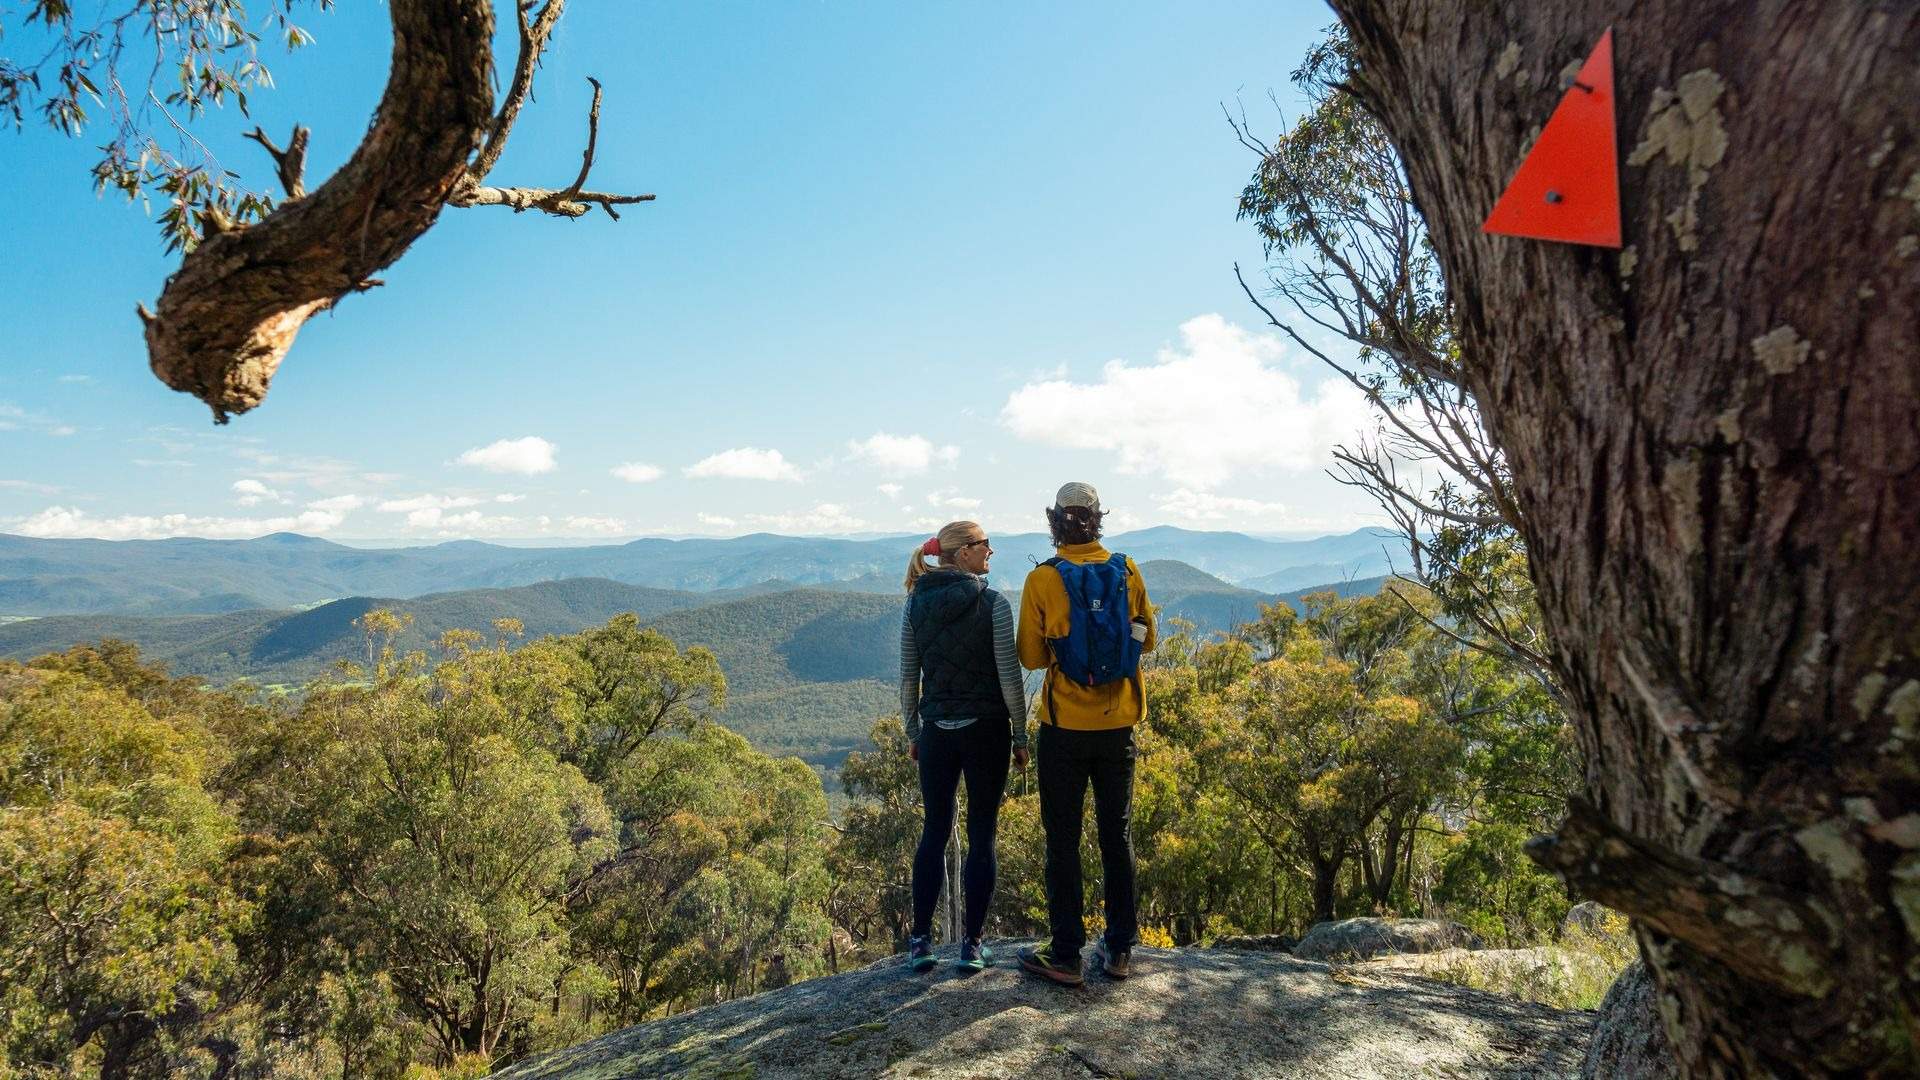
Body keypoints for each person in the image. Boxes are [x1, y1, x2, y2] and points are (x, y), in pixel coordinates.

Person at [1016, 482, 1155, 987]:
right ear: (1098, 520)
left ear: (1055, 521)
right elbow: (1149, 639)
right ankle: (1119, 950)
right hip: (1118, 724)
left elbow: (1031, 657)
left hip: (1064, 730)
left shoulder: (1043, 580)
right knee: (1116, 836)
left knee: (1063, 841)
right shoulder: (1127, 568)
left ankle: (1067, 955)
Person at [899, 519, 1030, 973]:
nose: (991, 551)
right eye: (984, 545)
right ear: (962, 553)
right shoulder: (993, 603)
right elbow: (1010, 679)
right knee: (982, 835)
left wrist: (915, 733)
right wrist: (1020, 734)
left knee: (934, 831)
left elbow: (907, 676)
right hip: (986, 731)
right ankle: (972, 946)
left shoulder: (915, 604)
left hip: (937, 732)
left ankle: (920, 942)